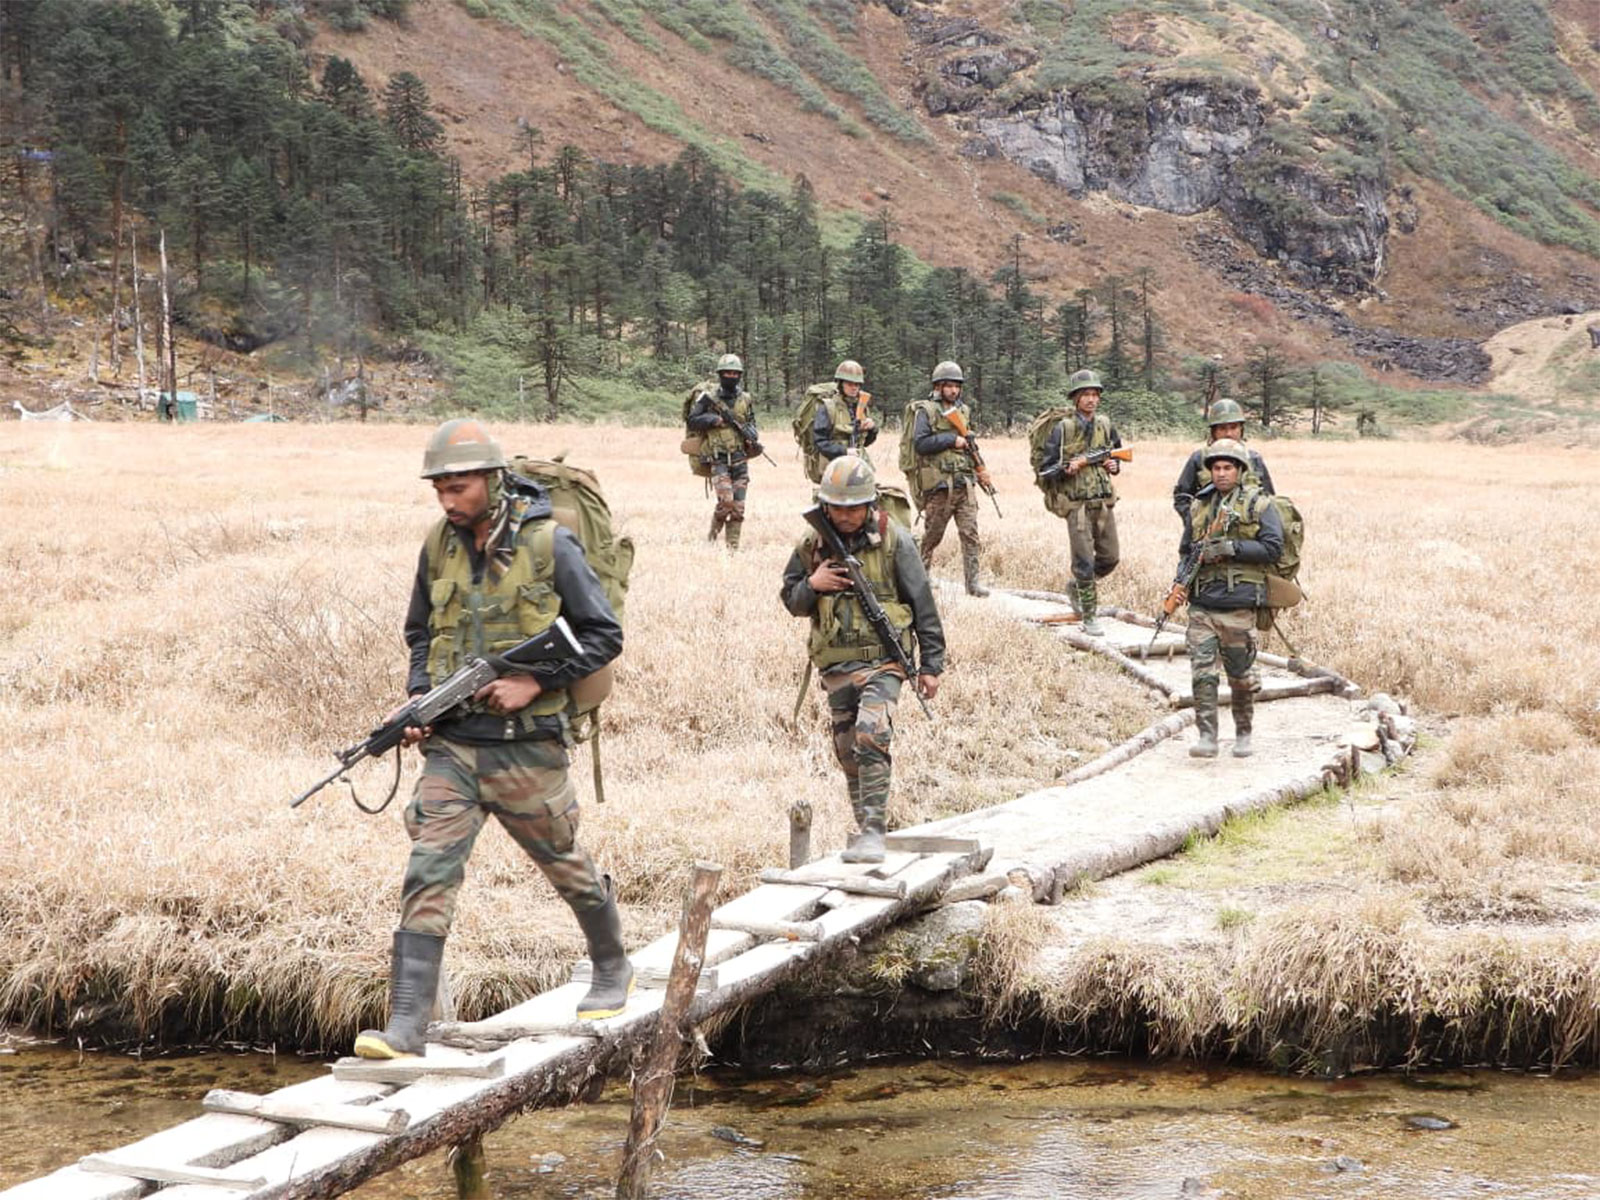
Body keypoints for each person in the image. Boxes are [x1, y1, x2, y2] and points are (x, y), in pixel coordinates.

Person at [354, 419, 629, 1060]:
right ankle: (406, 1027)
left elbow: (602, 636)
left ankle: (612, 965)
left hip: (525, 744)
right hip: (453, 746)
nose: (449, 500)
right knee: (428, 870)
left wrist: (534, 680)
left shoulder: (549, 544)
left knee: (565, 865)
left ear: (492, 479)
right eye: (440, 488)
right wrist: (419, 698)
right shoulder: (438, 547)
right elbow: (421, 632)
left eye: (459, 486)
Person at [781, 455, 945, 864]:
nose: (846, 515)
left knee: (871, 734)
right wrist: (813, 585)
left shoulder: (895, 539)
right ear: (824, 507)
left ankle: (873, 832)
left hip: (884, 661)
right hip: (837, 666)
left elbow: (922, 603)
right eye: (837, 507)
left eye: (854, 507)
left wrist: (931, 665)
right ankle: (866, 835)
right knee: (848, 752)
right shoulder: (810, 543)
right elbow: (792, 601)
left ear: (870, 505)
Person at [1174, 438, 1283, 759]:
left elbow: (1272, 548)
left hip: (1238, 604)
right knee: (1202, 675)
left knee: (1239, 676)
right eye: (1216, 468)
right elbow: (1187, 551)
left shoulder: (1259, 505)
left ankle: (1244, 734)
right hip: (1202, 604)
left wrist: (1231, 548)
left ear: (1239, 470)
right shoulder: (1199, 506)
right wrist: (1179, 583)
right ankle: (1207, 736)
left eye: (1227, 468)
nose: (1221, 474)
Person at [1035, 368, 1124, 636]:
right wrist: (1067, 469)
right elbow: (1045, 470)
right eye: (1085, 394)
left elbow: (1118, 456)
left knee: (1111, 558)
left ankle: (1078, 587)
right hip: (1078, 507)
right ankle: (1089, 615)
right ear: (1075, 398)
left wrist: (1113, 464)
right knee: (1084, 561)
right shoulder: (1064, 429)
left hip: (1104, 503)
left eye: (1095, 394)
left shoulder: (1105, 425)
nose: (1091, 399)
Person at [909, 360, 988, 597]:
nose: (954, 390)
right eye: (949, 386)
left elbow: (970, 444)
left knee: (970, 535)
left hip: (965, 482)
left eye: (957, 386)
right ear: (938, 386)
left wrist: (981, 469)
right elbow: (920, 444)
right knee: (932, 536)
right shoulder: (926, 411)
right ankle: (920, 579)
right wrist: (950, 440)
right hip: (940, 486)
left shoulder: (963, 412)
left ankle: (972, 584)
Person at [686, 352, 759, 550]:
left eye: (735, 373)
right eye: (726, 373)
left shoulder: (745, 399)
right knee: (726, 503)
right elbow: (692, 420)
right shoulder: (708, 398)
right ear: (720, 374)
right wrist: (712, 420)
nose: (731, 377)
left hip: (740, 459)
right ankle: (712, 537)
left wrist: (752, 435)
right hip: (718, 461)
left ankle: (732, 548)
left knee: (738, 507)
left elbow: (752, 423)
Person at [1171, 398, 1275, 524]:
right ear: (1214, 431)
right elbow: (1182, 497)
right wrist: (1195, 523)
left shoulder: (1253, 459)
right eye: (1222, 428)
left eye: (1233, 427)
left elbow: (1269, 500)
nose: (1229, 433)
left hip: (1247, 530)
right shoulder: (1199, 458)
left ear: (1241, 429)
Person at [808, 359, 877, 479]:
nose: (854, 388)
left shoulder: (861, 406)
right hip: (834, 468)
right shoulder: (828, 408)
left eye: (857, 384)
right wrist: (844, 451)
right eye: (850, 384)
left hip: (858, 467)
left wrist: (872, 429)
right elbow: (820, 442)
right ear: (841, 384)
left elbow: (865, 442)